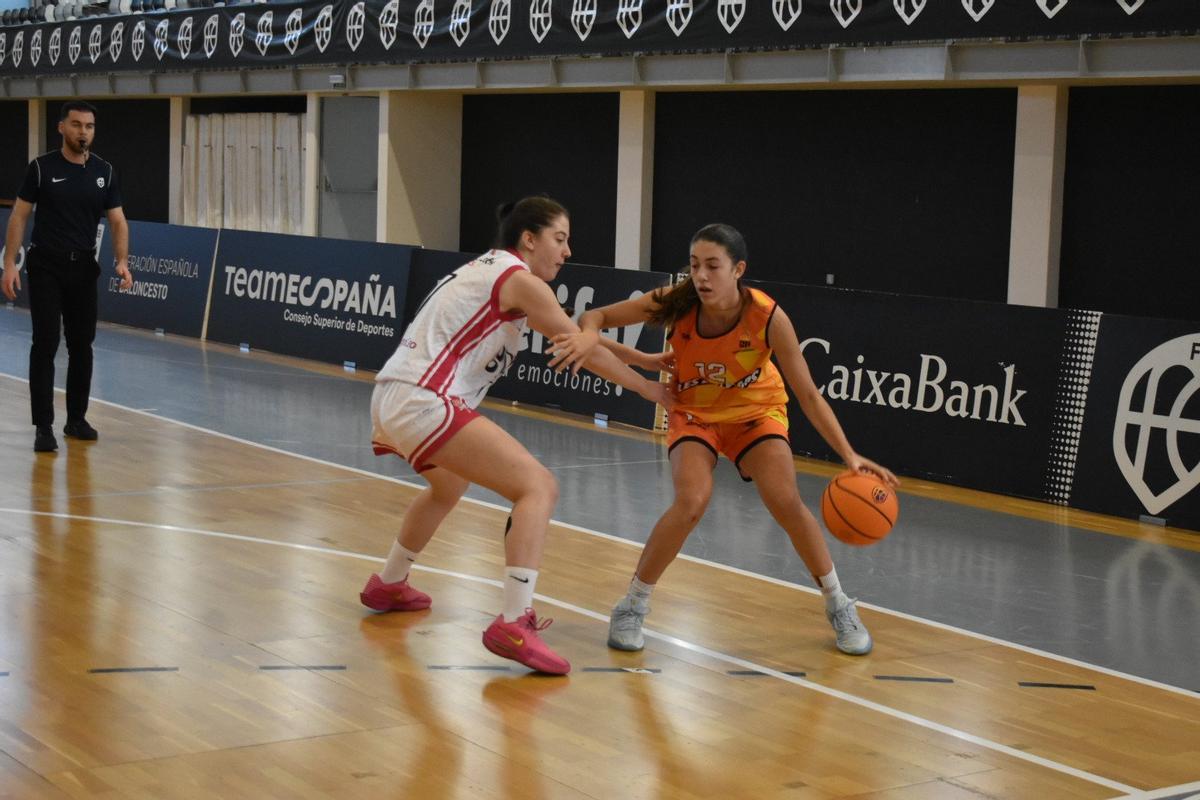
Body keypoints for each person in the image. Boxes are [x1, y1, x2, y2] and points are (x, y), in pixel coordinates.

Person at [547, 223, 899, 656]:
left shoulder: (768, 317)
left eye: (713, 266)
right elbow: (595, 318)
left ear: (739, 270)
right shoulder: (675, 303)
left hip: (756, 413)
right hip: (695, 412)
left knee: (785, 500)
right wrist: (592, 338)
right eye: (695, 265)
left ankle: (839, 604)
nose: (701, 276)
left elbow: (808, 393)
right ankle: (632, 605)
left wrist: (849, 455)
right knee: (691, 501)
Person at [361, 196, 673, 675]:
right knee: (538, 486)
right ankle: (513, 621)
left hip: (393, 394)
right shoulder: (522, 282)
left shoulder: (493, 271)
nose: (567, 251)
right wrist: (650, 390)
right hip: (426, 398)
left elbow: (577, 337)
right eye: (560, 239)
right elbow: (584, 351)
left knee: (449, 484)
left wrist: (646, 361)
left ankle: (389, 582)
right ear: (529, 239)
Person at [2, 100, 133, 453]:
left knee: (82, 345)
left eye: (89, 126)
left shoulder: (104, 171)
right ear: (62, 127)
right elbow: (19, 216)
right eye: (76, 125)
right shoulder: (42, 168)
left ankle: (76, 419)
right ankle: (43, 426)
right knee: (45, 343)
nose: (83, 132)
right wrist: (11, 263)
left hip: (83, 268)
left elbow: (118, 220)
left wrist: (122, 261)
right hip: (46, 265)